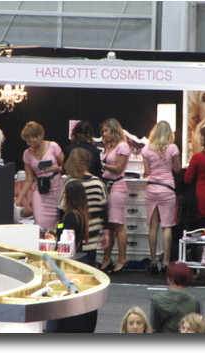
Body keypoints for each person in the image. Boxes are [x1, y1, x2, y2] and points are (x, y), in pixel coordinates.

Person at [45, 180, 98, 333]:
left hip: (67, 264)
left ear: (69, 196)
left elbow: (64, 241)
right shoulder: (81, 215)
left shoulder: (70, 217)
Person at [141, 121, 181, 274]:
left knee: (153, 227)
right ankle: (165, 262)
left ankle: (152, 261)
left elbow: (147, 171)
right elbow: (177, 168)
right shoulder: (172, 148)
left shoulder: (146, 149)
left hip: (152, 189)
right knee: (167, 226)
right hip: (167, 189)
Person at [58, 147, 109, 267]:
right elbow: (104, 211)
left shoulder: (69, 183)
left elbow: (61, 210)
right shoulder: (98, 183)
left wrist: (59, 230)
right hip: (92, 235)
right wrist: (106, 233)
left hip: (72, 237)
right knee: (90, 267)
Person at [15, 121, 64, 231]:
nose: (28, 144)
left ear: (39, 136)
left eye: (30, 141)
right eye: (26, 141)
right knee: (40, 222)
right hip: (40, 191)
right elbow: (28, 179)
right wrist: (19, 198)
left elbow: (67, 167)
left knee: (58, 224)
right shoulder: (27, 153)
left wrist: (56, 169)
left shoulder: (53, 146)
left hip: (57, 189)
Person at [98, 118, 131, 273]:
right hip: (107, 186)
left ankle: (122, 260)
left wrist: (102, 164)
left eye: (106, 131)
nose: (104, 134)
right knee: (108, 225)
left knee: (117, 225)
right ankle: (106, 259)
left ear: (114, 130)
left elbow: (118, 168)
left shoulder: (122, 146)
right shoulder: (109, 146)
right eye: (103, 131)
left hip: (117, 187)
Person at [150, 261, 201, 333]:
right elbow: (198, 328)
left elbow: (155, 329)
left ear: (169, 279)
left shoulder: (157, 300)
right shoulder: (194, 303)